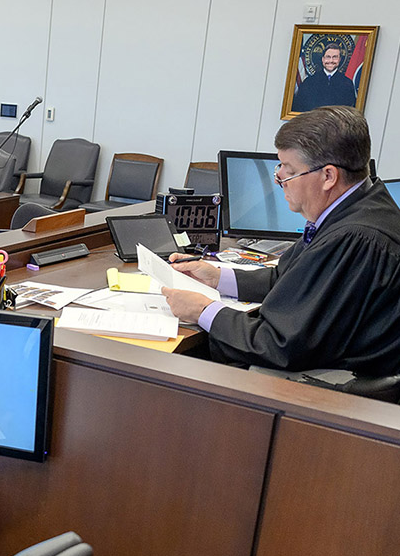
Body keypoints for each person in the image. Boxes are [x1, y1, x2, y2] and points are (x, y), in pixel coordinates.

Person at [162, 105, 400, 375]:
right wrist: (217, 277)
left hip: (323, 391)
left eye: (288, 170)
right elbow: (287, 280)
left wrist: (204, 311)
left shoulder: (354, 238)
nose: (278, 179)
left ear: (328, 176)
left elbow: (279, 345)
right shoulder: (361, 208)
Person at [291, 45, 357, 113]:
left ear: (339, 59)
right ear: (323, 59)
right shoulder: (309, 82)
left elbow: (349, 112)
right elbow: (299, 108)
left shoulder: (347, 84)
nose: (331, 61)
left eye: (335, 57)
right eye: (328, 57)